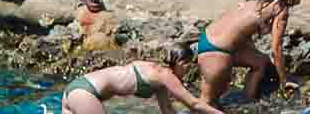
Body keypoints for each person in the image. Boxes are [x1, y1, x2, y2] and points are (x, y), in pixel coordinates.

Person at [196, 0, 309, 105]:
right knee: (207, 105)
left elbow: (243, 30)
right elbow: (276, 49)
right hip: (217, 53)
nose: (299, 2)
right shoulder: (281, 10)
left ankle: (248, 100)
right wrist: (284, 80)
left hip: (206, 38)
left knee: (261, 62)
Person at [62, 53, 225, 114]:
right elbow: (194, 104)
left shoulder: (156, 73)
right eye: (188, 67)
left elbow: (167, 110)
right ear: (181, 63)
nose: (188, 71)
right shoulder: (165, 75)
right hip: (86, 94)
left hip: (74, 89)